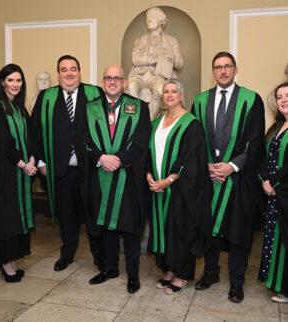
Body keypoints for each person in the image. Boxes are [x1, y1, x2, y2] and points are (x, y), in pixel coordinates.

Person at [192, 51, 265, 303]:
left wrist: (232, 166)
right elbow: (195, 140)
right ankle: (211, 273)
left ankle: (236, 282)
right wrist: (208, 166)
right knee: (209, 229)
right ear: (213, 71)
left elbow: (255, 142)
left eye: (227, 66)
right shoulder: (200, 100)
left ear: (235, 69)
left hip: (238, 180)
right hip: (209, 177)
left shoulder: (251, 99)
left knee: (237, 232)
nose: (223, 71)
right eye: (218, 67)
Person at [31, 55, 103, 272]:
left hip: (90, 168)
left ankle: (99, 257)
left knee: (93, 214)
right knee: (67, 215)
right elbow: (34, 131)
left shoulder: (95, 93)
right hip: (60, 169)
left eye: (73, 69)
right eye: (64, 69)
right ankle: (67, 253)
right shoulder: (46, 97)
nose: (69, 73)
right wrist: (41, 161)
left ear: (80, 72)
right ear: (58, 73)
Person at [86, 65, 150, 294]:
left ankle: (133, 274)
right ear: (103, 81)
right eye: (108, 78)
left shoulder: (138, 106)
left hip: (129, 178)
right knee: (106, 226)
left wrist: (119, 159)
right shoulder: (90, 107)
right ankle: (109, 268)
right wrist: (101, 157)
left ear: (124, 82)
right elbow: (84, 139)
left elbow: (142, 140)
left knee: (131, 227)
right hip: (100, 174)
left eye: (117, 78)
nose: (112, 81)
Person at [147, 79, 211, 294]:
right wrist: (148, 174)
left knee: (181, 230)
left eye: (174, 91)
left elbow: (192, 159)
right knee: (162, 230)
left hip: (180, 189)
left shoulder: (191, 124)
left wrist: (170, 179)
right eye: (166, 91)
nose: (170, 95)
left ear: (182, 95)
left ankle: (182, 274)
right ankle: (168, 269)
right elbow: (147, 152)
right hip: (157, 187)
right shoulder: (156, 122)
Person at [0, 64, 36, 282]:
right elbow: (4, 141)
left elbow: (29, 136)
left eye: (19, 80)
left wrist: (32, 158)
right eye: (11, 80)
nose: (15, 84)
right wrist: (23, 164)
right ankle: (4, 264)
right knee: (6, 217)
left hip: (22, 170)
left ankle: (12, 260)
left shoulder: (19, 107)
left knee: (18, 217)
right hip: (5, 172)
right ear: (2, 82)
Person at [258, 82, 288, 303]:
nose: (284, 100)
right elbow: (264, 157)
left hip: (284, 193)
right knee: (276, 238)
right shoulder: (276, 128)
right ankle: (277, 283)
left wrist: (274, 185)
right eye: (279, 97)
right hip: (273, 195)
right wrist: (264, 181)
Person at [127, 7, 183, 120]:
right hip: (139, 75)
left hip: (157, 76)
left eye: (152, 17)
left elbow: (179, 64)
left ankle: (148, 121)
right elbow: (135, 59)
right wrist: (155, 59)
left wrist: (169, 55)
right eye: (147, 18)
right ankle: (137, 119)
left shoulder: (171, 41)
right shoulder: (140, 40)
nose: (148, 20)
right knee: (131, 86)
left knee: (160, 89)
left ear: (161, 21)